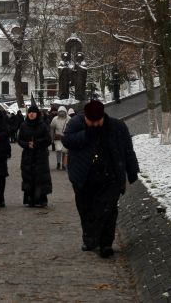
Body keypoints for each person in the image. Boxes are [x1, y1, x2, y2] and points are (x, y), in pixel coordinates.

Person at [63, 100, 140, 258]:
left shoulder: (117, 127)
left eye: (98, 121)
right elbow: (68, 141)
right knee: (86, 209)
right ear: (85, 117)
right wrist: (86, 134)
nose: (95, 125)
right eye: (91, 121)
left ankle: (106, 243)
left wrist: (132, 171)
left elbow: (127, 150)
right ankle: (89, 238)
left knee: (108, 209)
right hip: (84, 176)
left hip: (110, 176)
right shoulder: (75, 123)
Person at [17, 104, 53, 207]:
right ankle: (30, 199)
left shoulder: (43, 125)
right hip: (28, 155)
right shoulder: (23, 125)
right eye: (30, 112)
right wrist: (27, 144)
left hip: (40, 155)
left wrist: (36, 143)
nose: (31, 114)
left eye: (33, 112)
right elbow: (19, 140)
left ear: (37, 114)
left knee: (41, 177)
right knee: (28, 176)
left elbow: (48, 140)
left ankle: (42, 198)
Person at [50, 106, 70, 170]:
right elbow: (52, 128)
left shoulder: (69, 119)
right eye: (60, 111)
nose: (61, 113)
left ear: (65, 112)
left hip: (66, 137)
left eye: (62, 111)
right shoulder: (55, 119)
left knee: (64, 151)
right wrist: (52, 137)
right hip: (58, 137)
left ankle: (64, 164)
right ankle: (58, 163)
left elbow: (72, 128)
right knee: (58, 151)